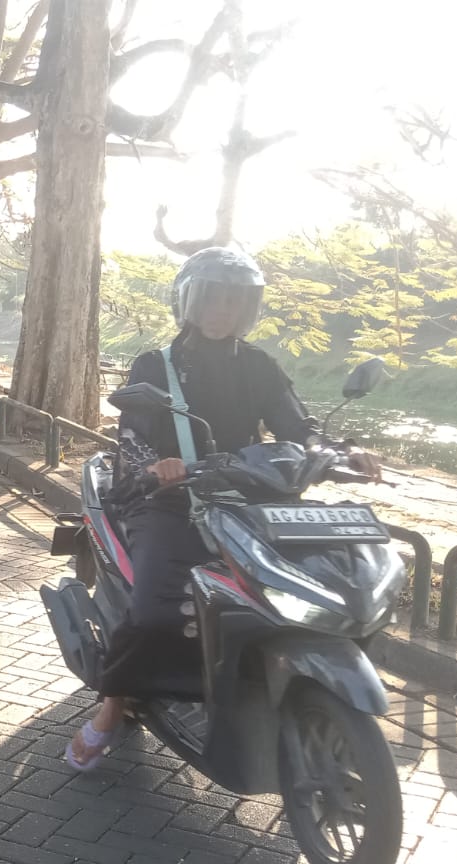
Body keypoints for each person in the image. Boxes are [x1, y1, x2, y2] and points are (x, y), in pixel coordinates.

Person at [68, 246, 382, 770]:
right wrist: (156, 464)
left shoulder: (259, 364)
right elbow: (133, 434)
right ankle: (114, 701)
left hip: (249, 502)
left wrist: (341, 451)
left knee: (318, 585)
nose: (223, 311)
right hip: (171, 501)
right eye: (213, 299)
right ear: (189, 302)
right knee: (153, 613)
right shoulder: (155, 364)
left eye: (235, 302)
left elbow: (296, 426)